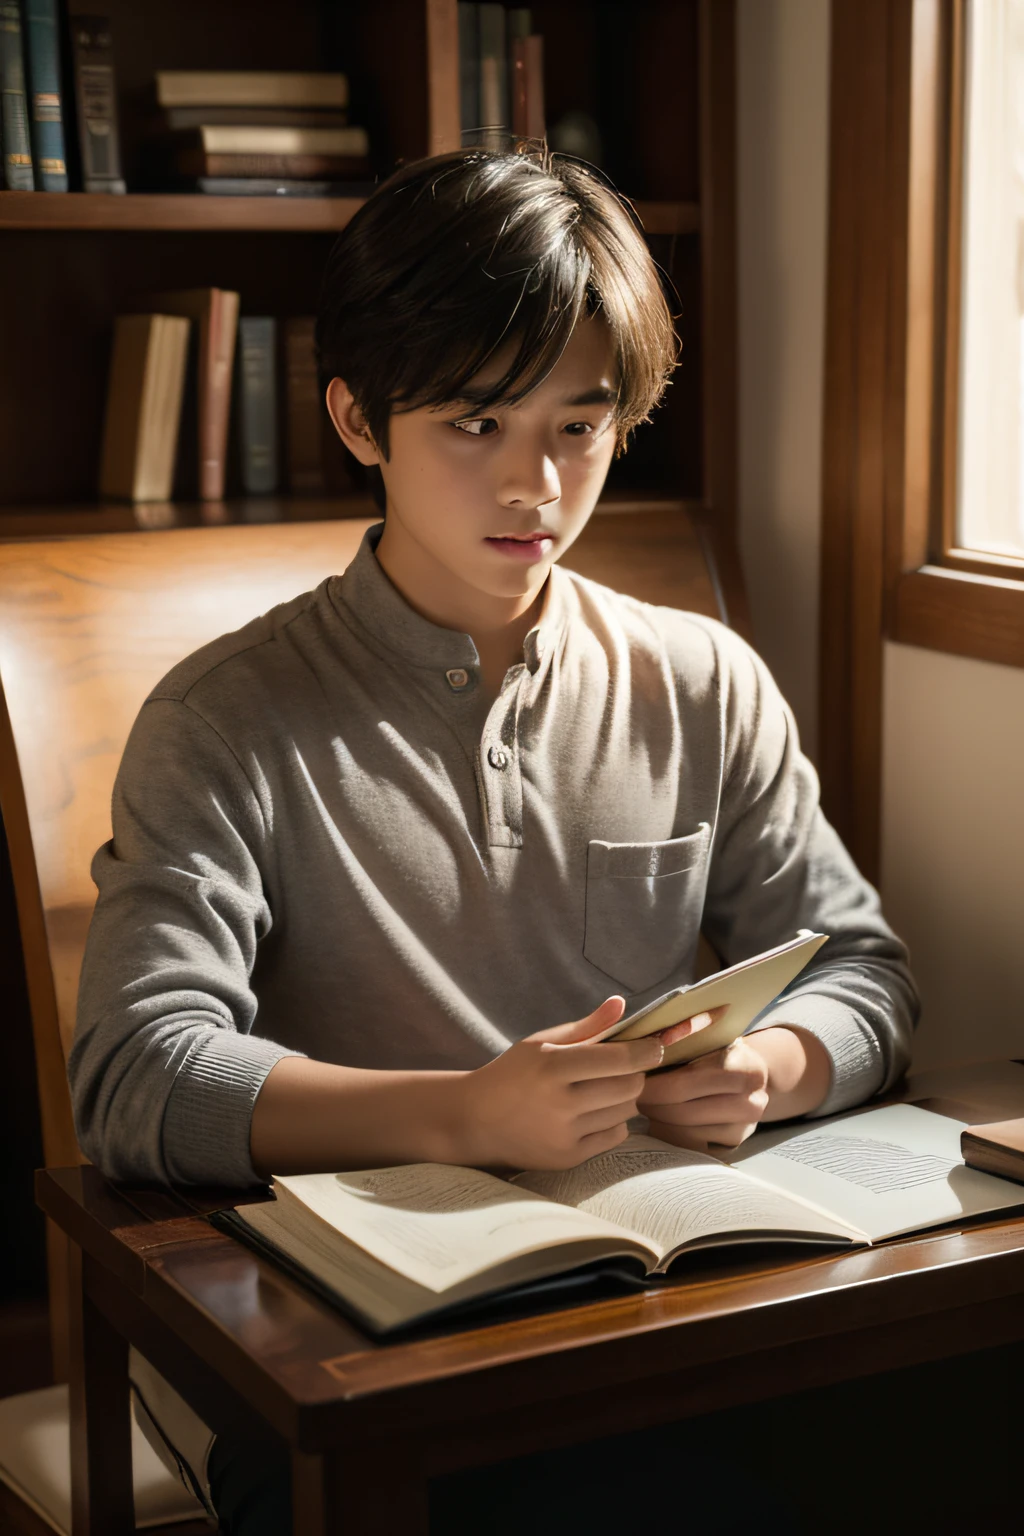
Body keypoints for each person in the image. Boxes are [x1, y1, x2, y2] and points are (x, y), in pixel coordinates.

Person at [68, 147, 918, 1533]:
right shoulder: (225, 718)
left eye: (576, 427)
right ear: (358, 419)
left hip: (645, 1307)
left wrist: (770, 1064)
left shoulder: (700, 681)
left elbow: (864, 970)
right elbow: (135, 1073)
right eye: (475, 423)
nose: (534, 483)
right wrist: (467, 1110)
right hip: (339, 1337)